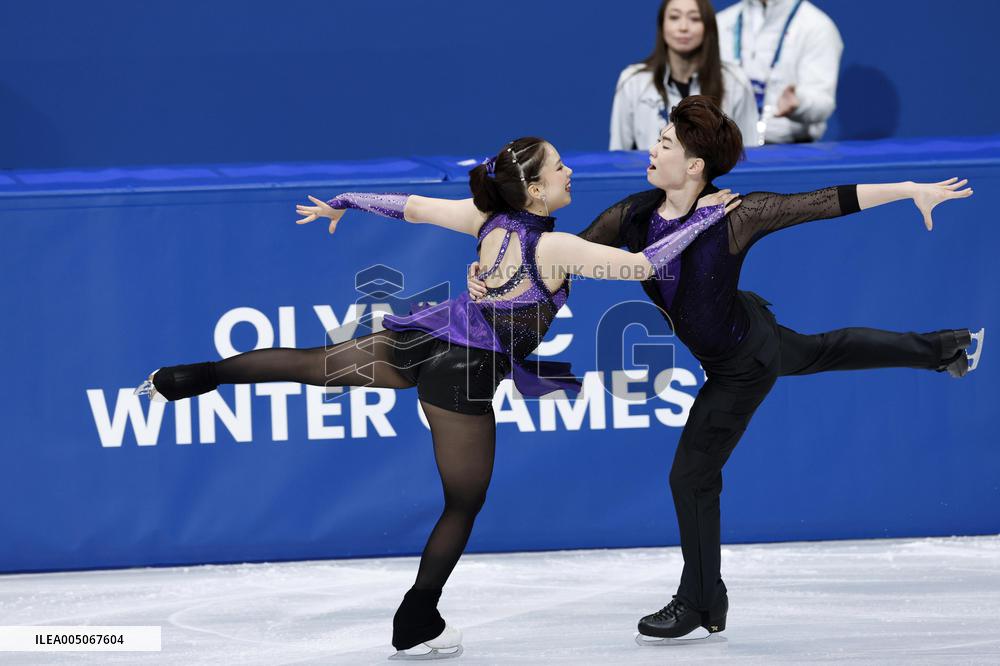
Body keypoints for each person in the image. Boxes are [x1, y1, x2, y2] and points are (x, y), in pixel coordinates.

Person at [134, 136, 739, 659]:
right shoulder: (553, 249)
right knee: (462, 503)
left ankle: (189, 376)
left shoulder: (486, 220)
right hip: (463, 373)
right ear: (532, 189)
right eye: (558, 167)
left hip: (422, 339)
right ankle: (415, 618)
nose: (569, 172)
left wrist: (347, 199)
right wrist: (705, 219)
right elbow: (641, 266)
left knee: (311, 364)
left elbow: (413, 207)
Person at [469, 97, 984, 643]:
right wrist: (493, 277)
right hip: (747, 333)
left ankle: (699, 599)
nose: (653, 148)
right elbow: (554, 256)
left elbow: (827, 201)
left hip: (742, 363)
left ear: (694, 165)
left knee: (691, 476)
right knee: (823, 350)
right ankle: (945, 348)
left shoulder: (737, 214)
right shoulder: (635, 215)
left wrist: (909, 190)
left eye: (665, 143)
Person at [611, 0, 759, 150]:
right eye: (674, 17)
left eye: (694, 18)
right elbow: (618, 155)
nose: (683, 27)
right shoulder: (633, 82)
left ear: (708, 26)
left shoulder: (734, 82)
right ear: (662, 25)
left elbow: (749, 154)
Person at [716, 0, 843, 144]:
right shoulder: (722, 22)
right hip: (726, 148)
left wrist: (799, 103)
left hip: (789, 152)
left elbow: (823, 102)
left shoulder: (817, 27)